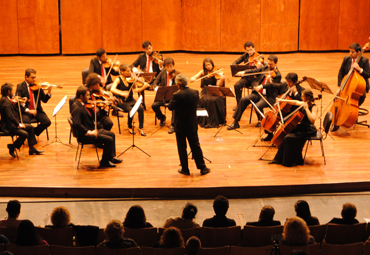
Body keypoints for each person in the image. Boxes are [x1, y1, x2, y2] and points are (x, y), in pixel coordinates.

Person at [168, 74, 210, 175]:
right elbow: (197, 103)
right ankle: (202, 168)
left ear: (178, 85)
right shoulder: (195, 92)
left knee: (182, 147)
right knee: (195, 145)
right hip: (191, 124)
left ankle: (185, 169)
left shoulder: (176, 95)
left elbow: (170, 107)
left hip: (180, 125)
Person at [71, 85, 122, 168]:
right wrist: (89, 132)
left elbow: (95, 117)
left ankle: (111, 157)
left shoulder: (83, 104)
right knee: (109, 140)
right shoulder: (77, 107)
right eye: (87, 95)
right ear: (81, 96)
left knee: (112, 134)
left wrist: (104, 108)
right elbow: (77, 124)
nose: (89, 97)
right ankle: (104, 162)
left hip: (92, 129)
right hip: (86, 135)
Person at [228, 55, 282, 130]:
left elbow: (274, 87)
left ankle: (263, 121)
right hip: (259, 93)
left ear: (276, 63)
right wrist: (244, 72)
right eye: (268, 63)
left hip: (268, 96)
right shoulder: (266, 68)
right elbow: (255, 71)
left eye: (271, 64)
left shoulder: (278, 75)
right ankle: (235, 122)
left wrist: (269, 82)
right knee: (243, 100)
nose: (269, 65)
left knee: (257, 105)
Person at [269, 89, 317, 167]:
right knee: (285, 135)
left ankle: (288, 161)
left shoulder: (314, 107)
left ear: (308, 97)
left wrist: (307, 109)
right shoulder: (304, 103)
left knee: (288, 138)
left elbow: (313, 120)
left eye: (303, 96)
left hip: (308, 129)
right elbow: (295, 102)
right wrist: (281, 100)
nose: (301, 97)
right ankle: (278, 159)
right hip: (302, 127)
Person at [331, 42, 370, 132]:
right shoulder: (346, 59)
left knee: (358, 97)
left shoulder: (364, 61)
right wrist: (340, 87)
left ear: (358, 52)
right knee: (337, 98)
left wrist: (360, 69)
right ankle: (335, 123)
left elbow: (368, 74)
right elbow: (340, 73)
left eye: (352, 52)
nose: (350, 53)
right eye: (350, 51)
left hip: (360, 86)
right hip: (346, 84)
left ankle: (351, 116)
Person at [0, 83, 44, 157]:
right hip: (9, 126)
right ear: (8, 92)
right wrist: (18, 125)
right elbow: (10, 116)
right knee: (25, 134)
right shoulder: (5, 102)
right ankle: (13, 147)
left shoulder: (6, 99)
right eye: (12, 91)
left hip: (12, 124)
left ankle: (32, 148)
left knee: (30, 127)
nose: (13, 92)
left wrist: (20, 103)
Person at [111, 64, 149, 136]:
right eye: (127, 71)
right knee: (131, 110)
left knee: (140, 108)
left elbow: (135, 90)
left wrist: (144, 87)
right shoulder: (118, 79)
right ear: (122, 71)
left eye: (130, 71)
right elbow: (112, 89)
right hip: (121, 101)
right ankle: (129, 126)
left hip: (131, 100)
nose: (130, 73)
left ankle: (141, 128)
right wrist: (122, 93)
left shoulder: (131, 79)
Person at [190, 58, 227, 128]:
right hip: (205, 91)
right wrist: (193, 79)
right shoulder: (203, 72)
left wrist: (221, 78)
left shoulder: (216, 72)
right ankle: (206, 120)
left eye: (209, 65)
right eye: (206, 65)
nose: (208, 67)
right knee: (204, 100)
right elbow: (193, 78)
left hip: (214, 91)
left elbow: (218, 85)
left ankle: (215, 120)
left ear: (212, 64)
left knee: (213, 100)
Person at [16, 68, 52, 138]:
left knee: (47, 122)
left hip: (37, 110)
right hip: (26, 111)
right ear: (26, 77)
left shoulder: (37, 86)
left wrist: (49, 92)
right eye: (32, 78)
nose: (34, 79)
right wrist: (28, 110)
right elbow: (18, 102)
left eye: (35, 77)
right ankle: (31, 136)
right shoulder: (20, 86)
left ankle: (34, 132)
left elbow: (44, 100)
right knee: (26, 124)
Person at [130, 40, 164, 110]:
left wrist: (160, 66)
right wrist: (137, 70)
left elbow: (162, 71)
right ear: (143, 49)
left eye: (150, 48)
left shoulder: (158, 56)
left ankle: (157, 104)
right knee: (139, 83)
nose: (149, 50)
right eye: (146, 49)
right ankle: (142, 103)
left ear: (152, 47)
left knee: (161, 85)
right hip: (144, 78)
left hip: (155, 78)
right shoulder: (141, 56)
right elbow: (132, 65)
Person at [152, 57, 180, 134]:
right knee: (154, 105)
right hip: (163, 97)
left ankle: (173, 125)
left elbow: (180, 86)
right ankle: (162, 117)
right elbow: (155, 82)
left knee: (175, 107)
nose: (171, 68)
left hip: (173, 98)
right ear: (165, 67)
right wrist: (156, 87)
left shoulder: (177, 74)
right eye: (168, 66)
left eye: (172, 66)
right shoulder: (163, 72)